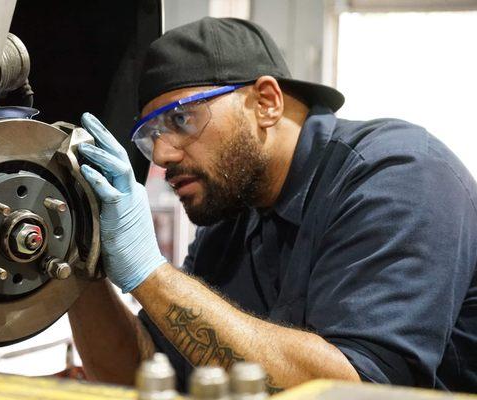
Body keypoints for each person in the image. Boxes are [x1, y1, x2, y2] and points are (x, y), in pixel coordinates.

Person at [69, 17, 477, 393]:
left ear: (266, 102)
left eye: (180, 120)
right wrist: (79, 260)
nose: (160, 155)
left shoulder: (399, 175)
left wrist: (149, 273)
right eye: (150, 135)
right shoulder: (232, 216)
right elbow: (142, 372)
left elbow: (358, 389)